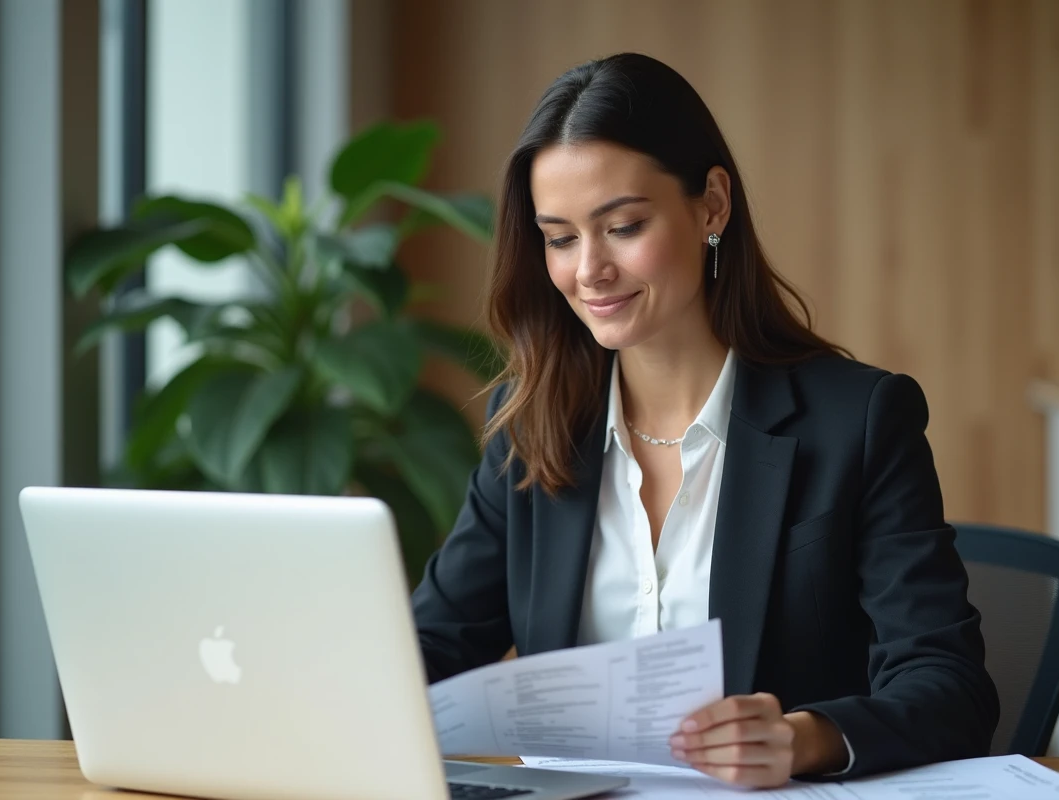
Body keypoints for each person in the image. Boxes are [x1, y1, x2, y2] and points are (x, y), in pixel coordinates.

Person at [410, 52, 999, 788]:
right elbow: (428, 649)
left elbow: (950, 686)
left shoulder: (859, 421)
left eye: (623, 226)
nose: (588, 270)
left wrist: (803, 739)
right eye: (559, 238)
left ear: (712, 205)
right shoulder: (532, 425)